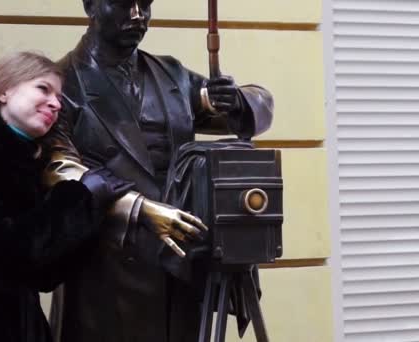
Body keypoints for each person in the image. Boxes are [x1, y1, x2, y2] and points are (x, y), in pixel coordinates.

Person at [0, 51, 202, 342]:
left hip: (25, 322)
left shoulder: (29, 162)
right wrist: (80, 197)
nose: (56, 104)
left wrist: (95, 208)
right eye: (43, 89)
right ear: (5, 90)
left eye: (58, 96)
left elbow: (46, 275)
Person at [43, 1, 275, 341]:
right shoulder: (63, 84)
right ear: (91, 6)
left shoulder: (170, 75)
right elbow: (58, 169)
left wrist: (237, 100)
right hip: (106, 270)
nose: (138, 15)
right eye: (124, 4)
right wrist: (139, 209)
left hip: (177, 264)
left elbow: (258, 107)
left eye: (145, 4)